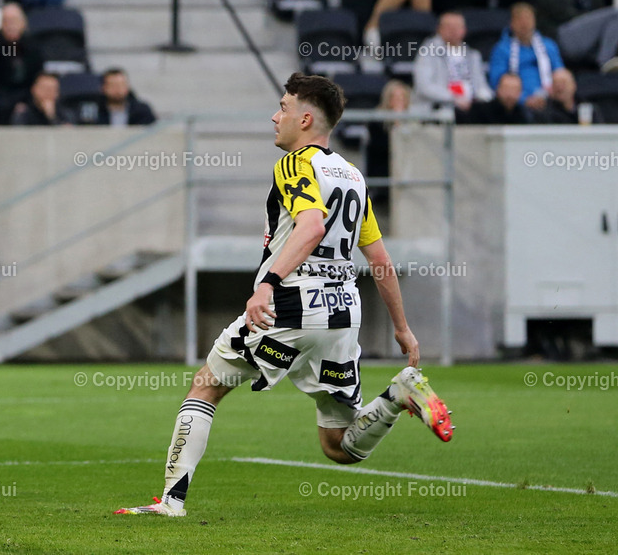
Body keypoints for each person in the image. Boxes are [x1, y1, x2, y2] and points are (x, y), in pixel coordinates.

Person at [115, 73, 452, 518]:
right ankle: (397, 396)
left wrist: (267, 284)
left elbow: (311, 226)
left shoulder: (295, 163)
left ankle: (171, 502)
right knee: (339, 446)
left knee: (206, 386)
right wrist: (403, 329)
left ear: (306, 119)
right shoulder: (353, 176)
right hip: (342, 313)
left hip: (292, 303)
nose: (276, 117)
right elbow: (380, 261)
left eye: (284, 108)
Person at [488, 2, 565, 111]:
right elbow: (496, 81)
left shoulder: (549, 45)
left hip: (549, 96)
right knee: (507, 83)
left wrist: (550, 92)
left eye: (528, 19)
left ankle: (572, 114)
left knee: (564, 77)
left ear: (534, 21)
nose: (524, 24)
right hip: (516, 101)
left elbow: (559, 70)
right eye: (520, 20)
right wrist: (524, 99)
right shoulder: (501, 49)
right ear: (511, 23)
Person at [0, 1, 42, 124]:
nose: (10, 25)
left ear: (23, 23)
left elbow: (36, 80)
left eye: (14, 21)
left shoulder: (34, 48)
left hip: (27, 98)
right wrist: (13, 104)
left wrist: (24, 101)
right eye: (6, 21)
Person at [413, 12, 493, 113]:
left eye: (457, 27)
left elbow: (481, 86)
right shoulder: (428, 52)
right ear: (439, 29)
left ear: (464, 30)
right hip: (438, 108)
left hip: (471, 108)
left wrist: (488, 99)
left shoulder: (473, 55)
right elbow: (424, 86)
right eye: (448, 26)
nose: (453, 30)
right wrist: (453, 98)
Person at [366, 79, 410, 204]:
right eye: (395, 98)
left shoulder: (415, 121)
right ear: (388, 100)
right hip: (384, 173)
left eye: (402, 98)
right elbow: (382, 148)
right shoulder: (377, 123)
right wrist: (397, 123)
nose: (399, 102)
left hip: (407, 172)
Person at [535, 67, 604, 123]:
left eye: (563, 83)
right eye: (556, 84)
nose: (560, 88)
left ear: (573, 85)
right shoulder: (545, 111)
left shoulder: (588, 108)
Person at [460, 72, 530, 124]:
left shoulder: (524, 115)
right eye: (506, 88)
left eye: (514, 89)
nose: (510, 94)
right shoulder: (480, 112)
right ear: (498, 89)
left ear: (520, 92)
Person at [10, 71, 75, 125]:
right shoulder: (24, 111)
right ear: (33, 89)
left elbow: (67, 132)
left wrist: (52, 117)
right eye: (44, 88)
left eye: (52, 89)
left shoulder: (65, 113)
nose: (48, 93)